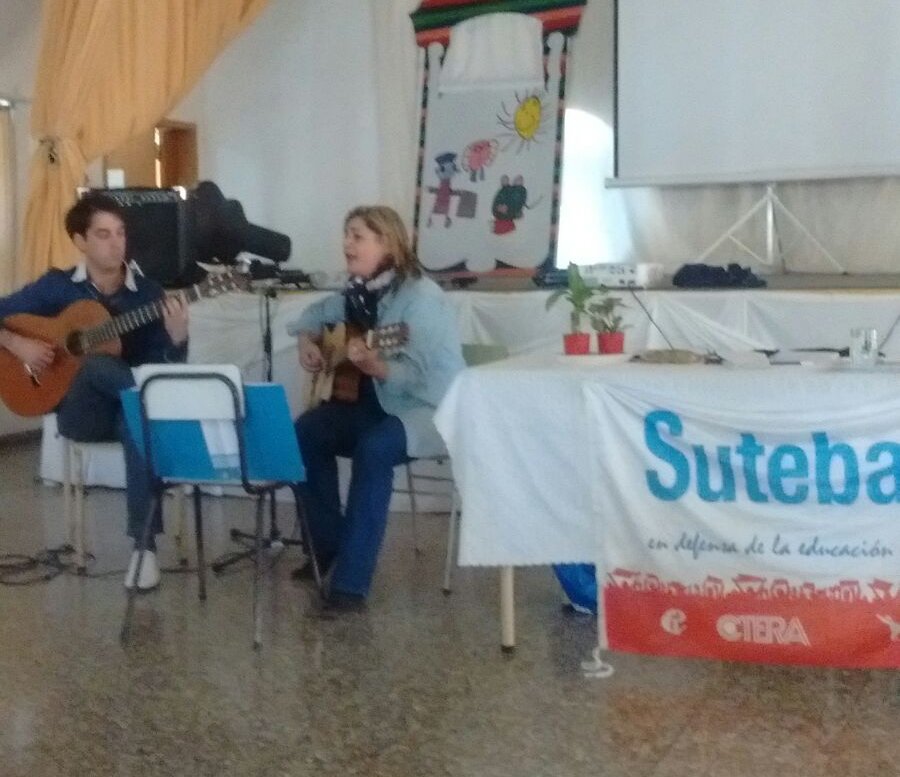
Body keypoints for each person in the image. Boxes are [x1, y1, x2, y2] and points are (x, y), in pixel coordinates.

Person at [0, 193, 189, 590]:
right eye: (103, 234)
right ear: (80, 240)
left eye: (120, 233)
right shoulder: (56, 287)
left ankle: (143, 550)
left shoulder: (148, 294)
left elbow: (164, 369)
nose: (116, 243)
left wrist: (177, 339)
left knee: (134, 419)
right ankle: (153, 421)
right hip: (80, 414)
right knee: (100, 366)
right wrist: (19, 344)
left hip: (125, 413)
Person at [288, 205, 464, 612]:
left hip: (429, 407)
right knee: (306, 432)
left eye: (357, 236)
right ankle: (327, 546)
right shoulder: (358, 294)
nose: (346, 244)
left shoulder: (422, 299)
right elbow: (313, 315)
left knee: (375, 447)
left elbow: (415, 375)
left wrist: (375, 366)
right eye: (346, 234)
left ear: (387, 243)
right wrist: (307, 341)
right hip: (379, 404)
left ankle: (351, 584)